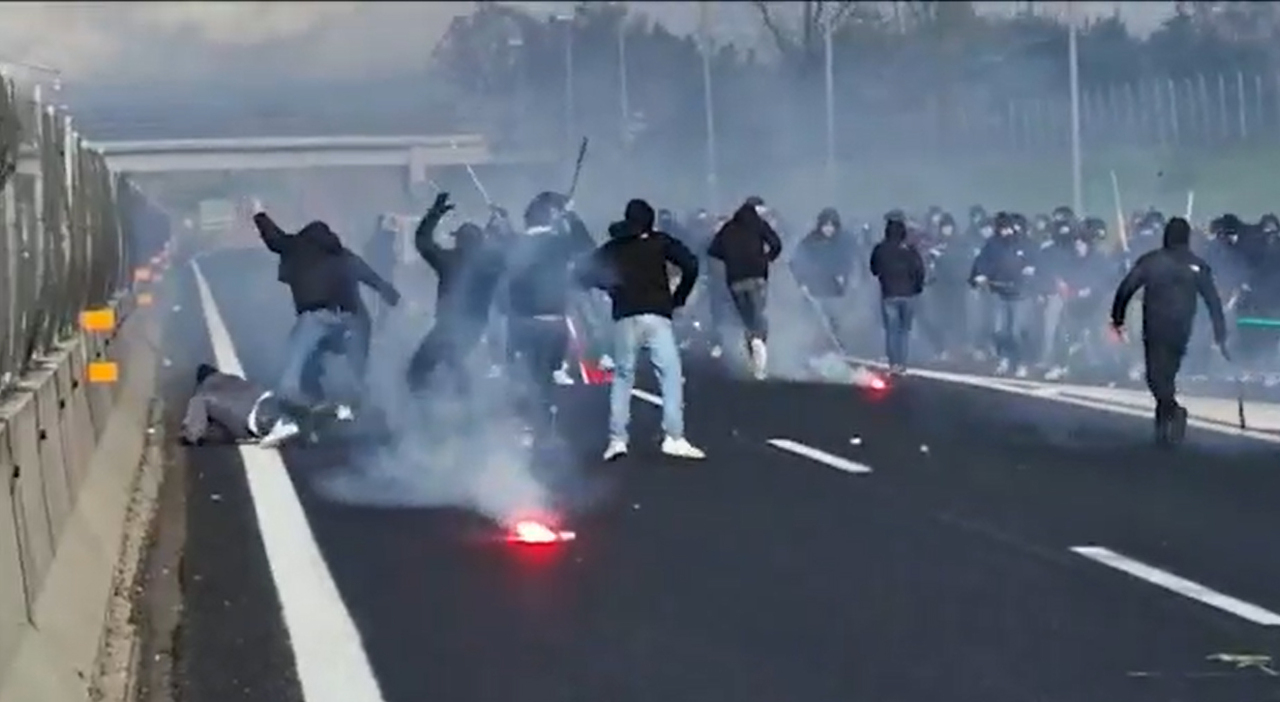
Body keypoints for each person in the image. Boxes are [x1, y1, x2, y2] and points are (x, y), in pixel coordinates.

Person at [576, 198, 706, 461]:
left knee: (623, 377)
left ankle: (617, 439)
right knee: (669, 375)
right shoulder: (660, 242)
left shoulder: (614, 248)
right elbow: (691, 264)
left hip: (625, 316)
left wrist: (611, 288)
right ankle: (674, 436)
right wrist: (678, 297)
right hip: (657, 314)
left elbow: (583, 274)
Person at [254, 210, 400, 404]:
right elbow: (373, 278)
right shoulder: (344, 254)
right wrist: (392, 296)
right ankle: (362, 402)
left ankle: (295, 397)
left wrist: (260, 217)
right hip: (351, 319)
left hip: (315, 318)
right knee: (357, 370)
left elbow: (273, 237)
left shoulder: (295, 247)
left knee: (296, 364)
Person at [1111, 216, 1229, 447]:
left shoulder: (1152, 261)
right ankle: (1165, 422)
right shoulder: (1197, 266)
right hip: (1182, 328)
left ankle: (1172, 411)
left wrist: (1118, 317)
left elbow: (1126, 288)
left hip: (1155, 326)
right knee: (1166, 375)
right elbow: (1213, 302)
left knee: (1156, 376)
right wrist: (1220, 334)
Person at [503, 191, 596, 442]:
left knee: (525, 375)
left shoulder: (514, 244)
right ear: (550, 218)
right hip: (554, 322)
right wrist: (572, 217)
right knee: (544, 377)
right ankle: (545, 423)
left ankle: (528, 426)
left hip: (521, 322)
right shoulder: (559, 243)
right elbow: (587, 247)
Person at [406, 192, 507, 392]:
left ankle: (437, 407)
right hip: (475, 328)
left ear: (458, 241)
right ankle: (464, 403)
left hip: (448, 326)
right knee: (452, 362)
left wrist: (434, 214)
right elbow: (514, 251)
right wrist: (502, 227)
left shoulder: (448, 260)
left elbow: (422, 242)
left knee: (417, 371)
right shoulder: (492, 264)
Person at [180, 364, 354, 449]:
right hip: (270, 399)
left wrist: (190, 435)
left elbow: (197, 429)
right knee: (294, 408)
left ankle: (283, 425)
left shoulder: (203, 394)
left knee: (263, 417)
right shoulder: (231, 379)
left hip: (256, 417)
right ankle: (332, 412)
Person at [708, 196, 783, 379]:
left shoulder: (728, 228)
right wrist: (766, 259)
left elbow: (713, 250)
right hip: (757, 276)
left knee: (747, 318)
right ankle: (759, 346)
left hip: (735, 280)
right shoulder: (759, 225)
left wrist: (731, 259)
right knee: (759, 316)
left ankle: (752, 354)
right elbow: (776, 244)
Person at [792, 207, 855, 353]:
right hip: (813, 290)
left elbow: (846, 262)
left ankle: (835, 348)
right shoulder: (809, 242)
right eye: (826, 226)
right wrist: (801, 283)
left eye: (832, 226)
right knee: (814, 323)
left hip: (833, 290)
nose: (829, 229)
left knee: (833, 322)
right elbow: (796, 263)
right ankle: (811, 351)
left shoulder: (840, 243)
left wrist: (843, 276)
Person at [869, 217, 926, 375]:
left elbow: (874, 270)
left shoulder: (880, 249)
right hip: (909, 295)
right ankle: (902, 363)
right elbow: (919, 271)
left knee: (892, 331)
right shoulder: (910, 250)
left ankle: (893, 363)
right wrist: (917, 288)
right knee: (904, 331)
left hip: (889, 294)